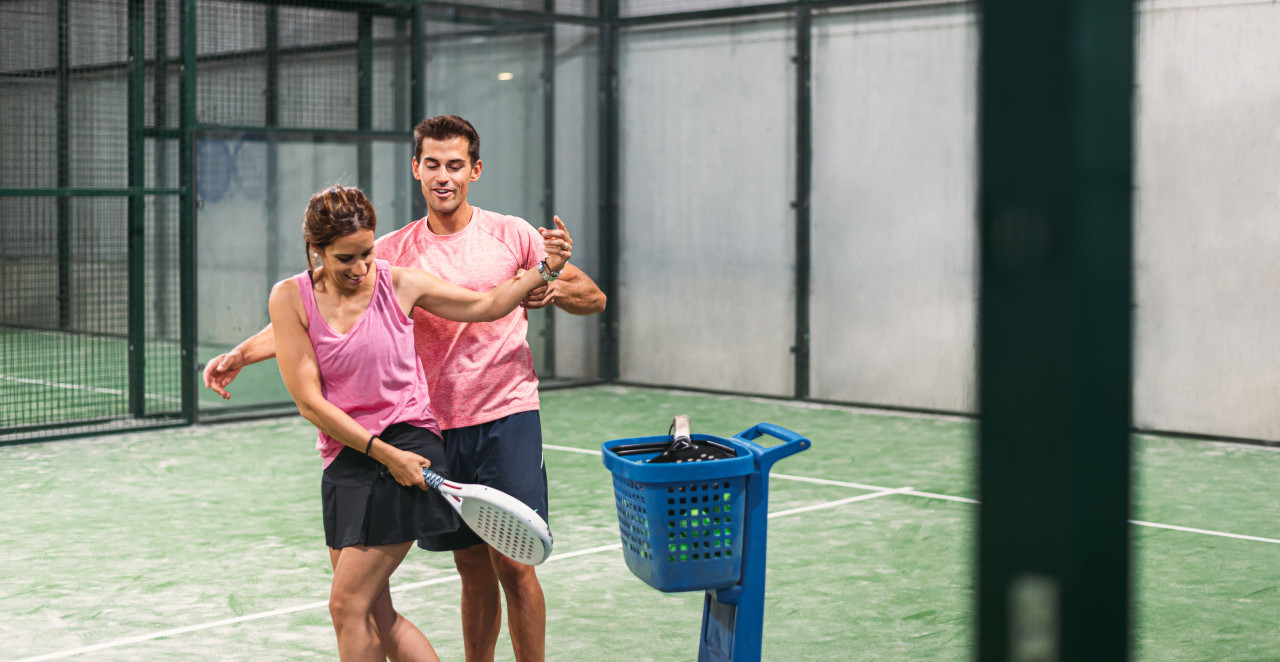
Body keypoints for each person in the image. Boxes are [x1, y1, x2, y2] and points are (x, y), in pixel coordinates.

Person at [203, 115, 607, 662]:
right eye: (433, 164)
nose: (444, 176)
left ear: (475, 170)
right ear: (417, 169)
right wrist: (243, 354)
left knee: (514, 563)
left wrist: (549, 283)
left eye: (456, 165)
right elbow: (320, 316)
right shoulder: (386, 252)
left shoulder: (511, 234)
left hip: (506, 411)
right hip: (438, 420)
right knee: (471, 566)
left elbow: (591, 297)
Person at [273, 185, 572, 661]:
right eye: (345, 258)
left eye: (367, 253)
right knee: (372, 612)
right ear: (317, 252)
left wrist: (544, 269)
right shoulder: (290, 297)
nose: (360, 268)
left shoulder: (398, 283)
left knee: (346, 603)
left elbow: (487, 305)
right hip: (349, 456)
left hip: (409, 444)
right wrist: (239, 354)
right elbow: (310, 402)